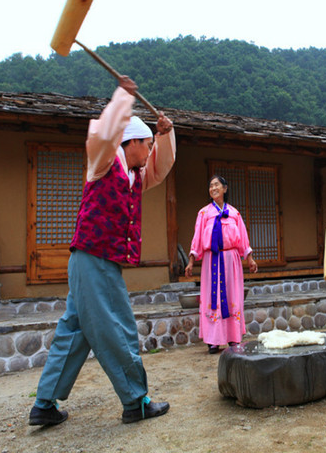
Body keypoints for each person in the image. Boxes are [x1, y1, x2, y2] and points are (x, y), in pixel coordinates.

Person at [29, 76, 176, 426]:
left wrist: (166, 134)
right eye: (148, 143)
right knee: (116, 325)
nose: (151, 150)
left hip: (90, 261)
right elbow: (104, 135)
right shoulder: (104, 163)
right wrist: (123, 98)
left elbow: (162, 165)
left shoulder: (135, 175)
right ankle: (135, 401)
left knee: (75, 331)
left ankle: (44, 405)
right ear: (132, 142)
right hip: (95, 260)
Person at [185, 175, 258, 354]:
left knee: (233, 296)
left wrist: (250, 259)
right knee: (213, 298)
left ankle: (233, 337)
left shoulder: (234, 213)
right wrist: (191, 261)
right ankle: (213, 341)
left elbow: (243, 238)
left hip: (231, 260)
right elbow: (197, 238)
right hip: (212, 260)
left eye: (216, 185)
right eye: (210, 186)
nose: (213, 188)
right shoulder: (203, 213)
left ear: (225, 189)